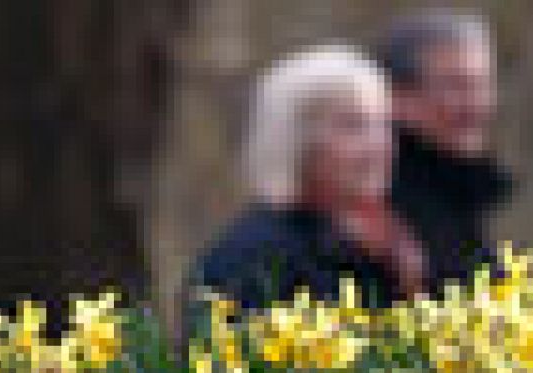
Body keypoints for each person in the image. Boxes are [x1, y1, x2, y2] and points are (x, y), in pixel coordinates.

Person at [193, 45, 425, 312]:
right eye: (352, 126)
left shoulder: (376, 249)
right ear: (296, 140)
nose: (379, 146)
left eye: (384, 125)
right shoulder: (253, 260)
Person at [377, 10, 513, 294]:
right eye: (455, 86)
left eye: (481, 85)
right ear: (397, 97)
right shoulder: (379, 210)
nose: (476, 106)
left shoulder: (458, 198)